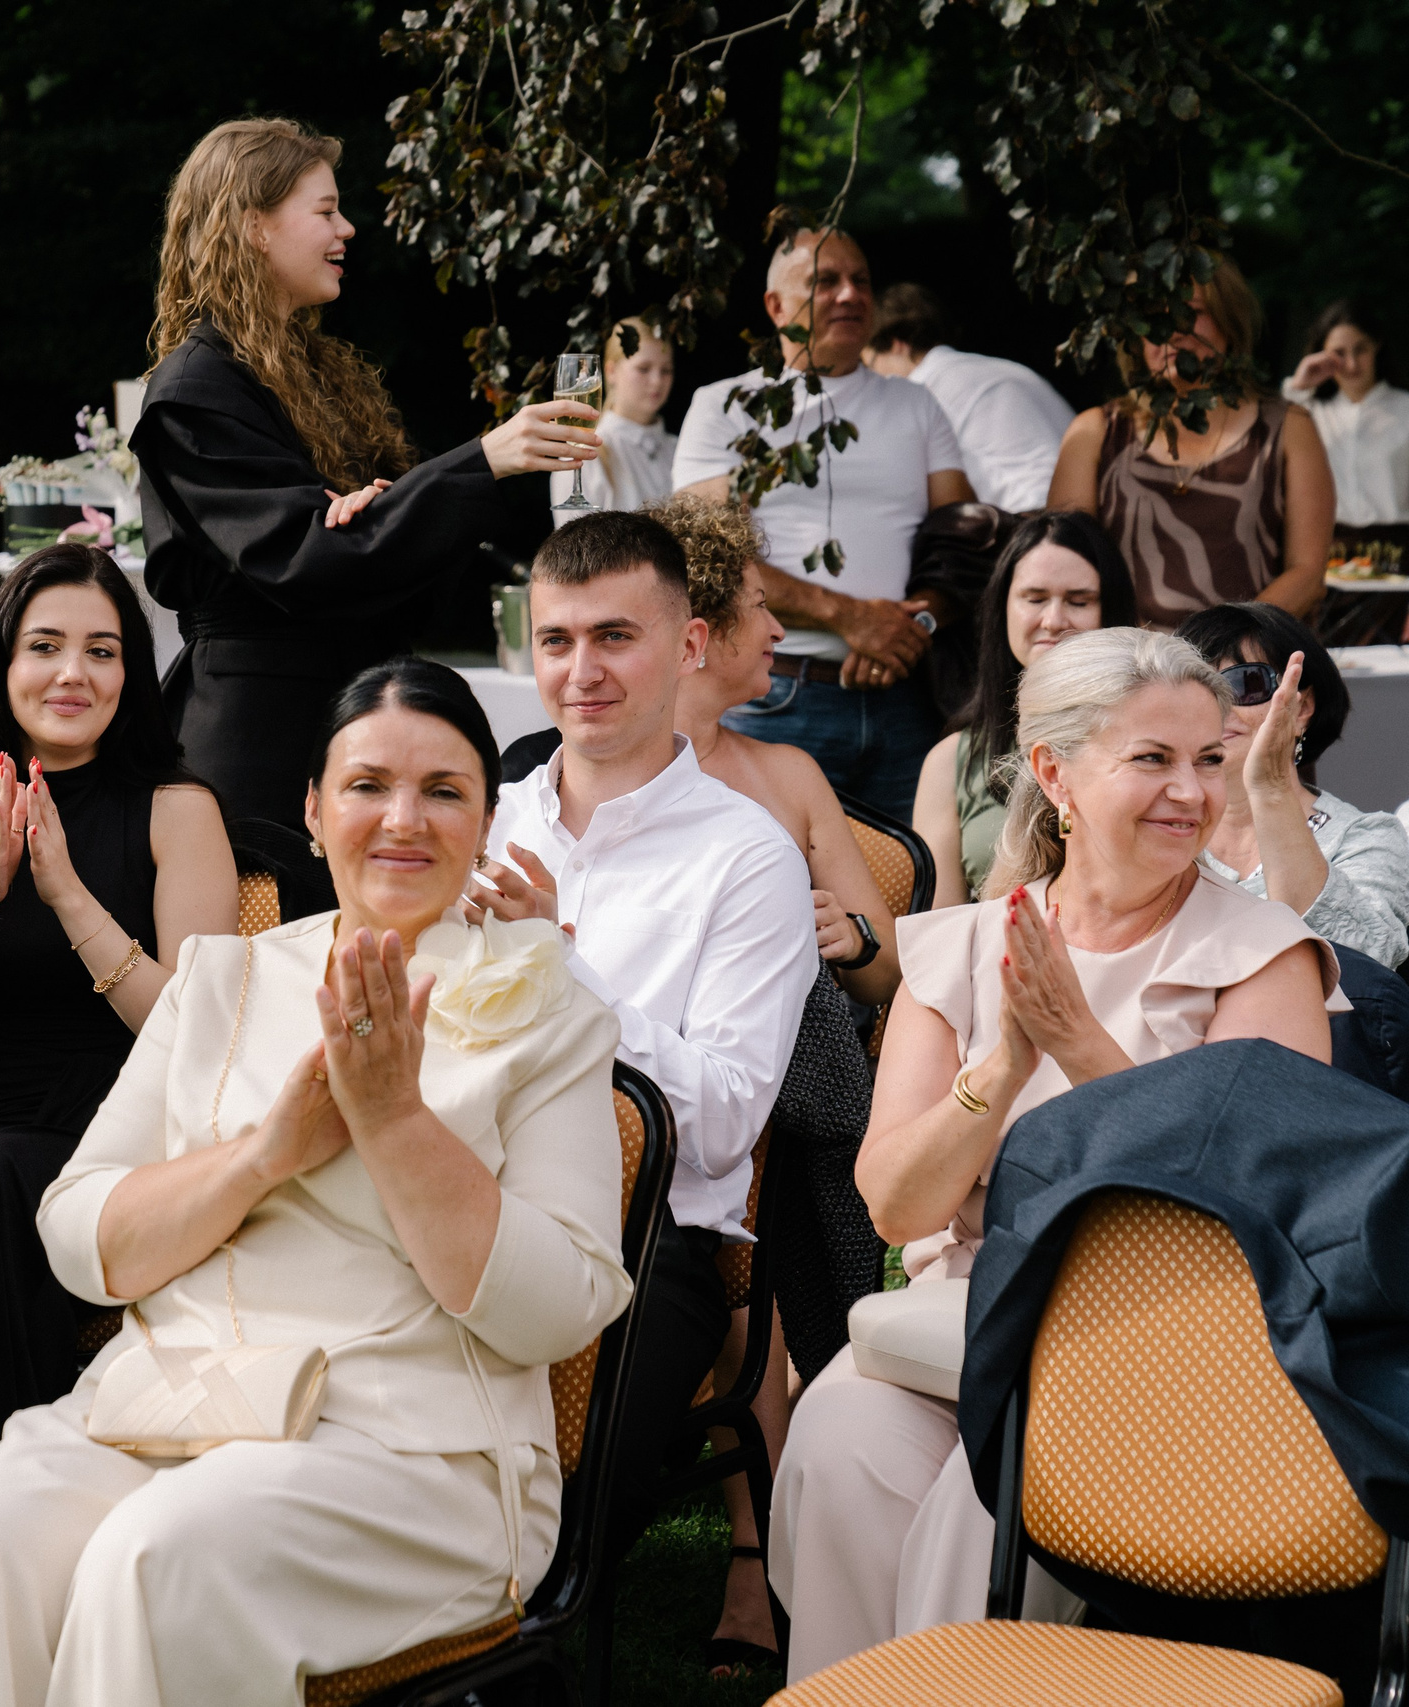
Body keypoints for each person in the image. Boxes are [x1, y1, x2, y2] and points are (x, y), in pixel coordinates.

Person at [0, 659, 633, 1707]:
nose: (402, 819)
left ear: (486, 822)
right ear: (313, 811)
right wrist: (266, 1153)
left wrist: (397, 1122)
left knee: (157, 1561)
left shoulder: (547, 1012)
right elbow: (79, 1235)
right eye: (367, 785)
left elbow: (561, 1309)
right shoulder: (221, 981)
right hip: (174, 1407)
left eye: (443, 790)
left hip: (418, 1450)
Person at [768, 626, 1344, 1681]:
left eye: (1208, 759)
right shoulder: (958, 947)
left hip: (1159, 1336)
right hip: (950, 1328)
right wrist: (1002, 1063)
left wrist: (1078, 1044)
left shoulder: (1263, 958)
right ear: (1054, 772)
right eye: (1153, 758)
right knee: (837, 1438)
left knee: (983, 1498)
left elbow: (1247, 1220)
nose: (1190, 791)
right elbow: (896, 1208)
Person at [468, 510, 821, 1674]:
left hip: (647, 1237)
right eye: (557, 640)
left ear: (689, 646)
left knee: (526, 1580)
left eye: (614, 636)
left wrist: (556, 967)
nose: (581, 670)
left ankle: (496, 1654)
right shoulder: (482, 821)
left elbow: (719, 1122)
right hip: (455, 1195)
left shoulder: (748, 858)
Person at [0, 543, 239, 1474]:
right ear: (3, 663)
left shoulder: (177, 812)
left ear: (130, 674)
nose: (73, 672)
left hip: (119, 1128)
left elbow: (199, 1033)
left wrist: (70, 896)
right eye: (45, 646)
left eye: (102, 651)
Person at [132, 116, 601, 825]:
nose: (346, 228)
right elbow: (305, 560)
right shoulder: (197, 388)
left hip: (356, 727)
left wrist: (385, 515)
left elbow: (373, 562)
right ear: (253, 226)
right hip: (261, 751)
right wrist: (483, 461)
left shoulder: (316, 373)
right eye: (325, 211)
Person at [674, 226, 978, 821]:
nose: (849, 294)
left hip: (904, 696)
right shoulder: (726, 407)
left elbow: (964, 544)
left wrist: (908, 628)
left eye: (860, 280)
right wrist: (852, 618)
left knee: (914, 872)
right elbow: (709, 562)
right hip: (773, 695)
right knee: (765, 871)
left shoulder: (916, 405)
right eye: (825, 281)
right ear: (775, 306)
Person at [662, 491, 903, 1007]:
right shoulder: (589, 771)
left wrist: (851, 938)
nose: (778, 630)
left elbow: (887, 976)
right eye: (759, 606)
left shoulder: (792, 776)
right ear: (701, 633)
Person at [1046, 253, 1336, 623]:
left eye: (1192, 311)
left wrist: (1227, 641)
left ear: (1229, 323)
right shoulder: (1095, 432)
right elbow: (1065, 563)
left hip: (1251, 651)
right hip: (1125, 654)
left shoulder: (1289, 428)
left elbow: (1308, 573)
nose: (1171, 329)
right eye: (1153, 315)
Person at [913, 511, 1141, 905]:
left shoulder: (1159, 740)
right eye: (1035, 599)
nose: (1053, 620)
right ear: (1002, 608)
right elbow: (936, 926)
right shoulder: (950, 761)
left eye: (1079, 601)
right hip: (993, 943)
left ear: (1111, 611)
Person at [1180, 601, 1409, 967]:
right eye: (1199, 688)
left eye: (1244, 683)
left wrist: (1271, 788)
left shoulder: (1364, 838)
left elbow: (1365, 963)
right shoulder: (1159, 825)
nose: (1218, 707)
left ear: (1302, 708)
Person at [863, 283, 1076, 514]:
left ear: (897, 345)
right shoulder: (1006, 369)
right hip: (1081, 513)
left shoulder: (923, 391)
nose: (870, 378)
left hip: (1031, 518)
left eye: (868, 364)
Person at [1284, 300, 1409, 645]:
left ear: (1377, 346)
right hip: (1326, 562)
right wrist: (1300, 386)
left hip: (1397, 564)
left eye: (1361, 349)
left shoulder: (1405, 410)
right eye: (1339, 353)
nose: (1352, 364)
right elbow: (1270, 440)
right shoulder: (1306, 412)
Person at [568, 316, 679, 515]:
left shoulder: (679, 448)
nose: (657, 381)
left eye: (666, 370)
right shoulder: (585, 453)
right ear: (611, 371)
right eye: (643, 369)